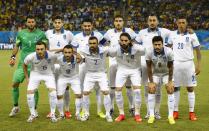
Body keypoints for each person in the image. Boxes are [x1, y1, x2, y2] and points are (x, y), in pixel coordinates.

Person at [9, 15, 47, 117]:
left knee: (34, 88)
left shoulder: (41, 34)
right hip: (22, 65)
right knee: (14, 84)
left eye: (32, 22)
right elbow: (16, 46)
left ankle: (35, 109)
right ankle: (16, 107)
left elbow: (45, 48)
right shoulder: (21, 34)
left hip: (35, 66)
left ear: (35, 22)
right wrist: (13, 57)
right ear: (26, 23)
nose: (31, 24)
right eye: (29, 22)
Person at [135, 14, 172, 119]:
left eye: (154, 20)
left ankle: (157, 111)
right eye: (150, 20)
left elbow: (175, 35)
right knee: (148, 87)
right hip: (145, 64)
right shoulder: (142, 32)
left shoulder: (164, 31)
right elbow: (135, 43)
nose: (152, 22)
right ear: (147, 22)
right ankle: (148, 111)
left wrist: (168, 46)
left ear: (157, 21)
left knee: (158, 88)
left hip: (159, 64)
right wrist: (143, 50)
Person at [71, 18, 105, 118]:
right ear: (82, 26)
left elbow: (105, 45)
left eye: (88, 26)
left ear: (92, 26)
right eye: (85, 26)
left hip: (96, 66)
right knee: (82, 88)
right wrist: (79, 57)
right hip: (82, 65)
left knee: (98, 90)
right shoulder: (77, 36)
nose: (87, 28)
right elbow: (73, 50)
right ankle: (84, 110)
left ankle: (100, 111)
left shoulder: (98, 35)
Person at [168, 16, 201, 121]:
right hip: (176, 64)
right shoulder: (172, 35)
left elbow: (198, 51)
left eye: (183, 22)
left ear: (186, 24)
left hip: (189, 64)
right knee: (176, 88)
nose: (181, 24)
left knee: (190, 88)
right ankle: (175, 112)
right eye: (179, 22)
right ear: (176, 24)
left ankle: (191, 112)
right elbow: (168, 49)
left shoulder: (192, 35)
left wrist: (198, 65)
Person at [103, 15, 137, 116]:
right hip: (113, 62)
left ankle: (132, 107)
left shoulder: (129, 31)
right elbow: (103, 43)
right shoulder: (109, 32)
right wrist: (108, 48)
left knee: (128, 86)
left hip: (126, 63)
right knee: (112, 87)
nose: (118, 23)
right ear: (114, 22)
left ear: (123, 22)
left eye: (120, 21)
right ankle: (112, 107)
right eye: (116, 21)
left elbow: (134, 43)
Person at [110, 33, 145, 122]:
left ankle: (137, 114)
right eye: (122, 40)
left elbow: (145, 51)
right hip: (122, 70)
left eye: (126, 40)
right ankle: (121, 114)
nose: (124, 42)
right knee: (117, 91)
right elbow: (106, 52)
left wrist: (135, 46)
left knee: (137, 91)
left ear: (130, 41)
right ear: (119, 41)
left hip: (135, 70)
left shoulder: (136, 48)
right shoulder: (116, 49)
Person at [45, 15, 74, 118]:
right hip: (51, 65)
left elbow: (73, 47)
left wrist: (61, 50)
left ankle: (66, 110)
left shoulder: (68, 34)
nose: (57, 24)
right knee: (51, 88)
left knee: (65, 88)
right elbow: (43, 47)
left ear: (62, 23)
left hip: (64, 65)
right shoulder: (48, 33)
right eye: (55, 22)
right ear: (53, 23)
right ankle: (52, 111)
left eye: (59, 22)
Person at [79, 36, 113, 122]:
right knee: (85, 93)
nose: (92, 45)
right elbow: (76, 52)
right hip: (89, 74)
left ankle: (108, 114)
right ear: (88, 44)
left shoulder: (104, 50)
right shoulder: (84, 50)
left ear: (98, 44)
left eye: (94, 43)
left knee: (105, 92)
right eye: (90, 43)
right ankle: (86, 113)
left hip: (101, 74)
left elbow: (112, 48)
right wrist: (81, 58)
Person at [23, 41, 58, 123]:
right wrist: (27, 78)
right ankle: (32, 114)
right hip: (35, 74)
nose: (39, 51)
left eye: (42, 49)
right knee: (29, 93)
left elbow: (58, 62)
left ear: (46, 49)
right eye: (37, 49)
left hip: (48, 74)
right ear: (35, 49)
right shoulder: (30, 56)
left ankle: (52, 114)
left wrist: (54, 73)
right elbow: (24, 65)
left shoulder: (52, 56)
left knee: (53, 93)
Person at [146, 36, 175, 124]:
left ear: (163, 44)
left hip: (166, 73)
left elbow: (171, 67)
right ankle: (151, 115)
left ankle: (170, 116)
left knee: (170, 89)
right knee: (151, 89)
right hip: (155, 74)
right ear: (153, 45)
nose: (157, 46)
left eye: (159, 44)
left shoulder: (169, 51)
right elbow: (148, 67)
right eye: (155, 45)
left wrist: (170, 81)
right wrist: (151, 82)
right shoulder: (149, 52)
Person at [56, 45, 82, 120]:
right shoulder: (59, 58)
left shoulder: (76, 58)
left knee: (78, 95)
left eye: (69, 52)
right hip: (63, 77)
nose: (67, 54)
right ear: (63, 53)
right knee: (59, 96)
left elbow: (80, 59)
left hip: (74, 77)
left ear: (72, 52)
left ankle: (77, 114)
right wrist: (60, 50)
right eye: (65, 52)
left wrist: (75, 52)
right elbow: (51, 54)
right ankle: (61, 114)